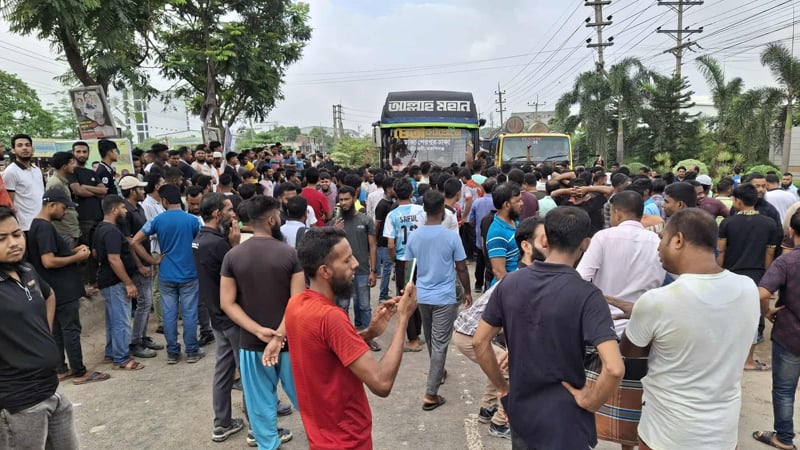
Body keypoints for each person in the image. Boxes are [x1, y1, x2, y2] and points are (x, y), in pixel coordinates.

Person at [474, 206, 624, 449]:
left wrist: (502, 388)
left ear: (544, 240)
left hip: (522, 411)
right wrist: (592, 401)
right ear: (585, 244)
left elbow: (479, 341)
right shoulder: (588, 295)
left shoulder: (509, 283)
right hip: (566, 417)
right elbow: (615, 368)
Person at [621, 208, 759, 450]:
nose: (658, 247)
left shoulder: (657, 301)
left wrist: (641, 316)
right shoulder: (748, 288)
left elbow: (630, 353)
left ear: (678, 240)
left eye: (662, 238)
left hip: (666, 436)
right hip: (723, 435)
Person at [284, 228, 417, 449]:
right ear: (325, 271)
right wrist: (403, 319)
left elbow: (326, 350)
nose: (355, 264)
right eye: (346, 260)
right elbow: (382, 383)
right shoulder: (331, 317)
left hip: (320, 437)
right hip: (348, 441)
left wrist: (368, 333)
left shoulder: (295, 304)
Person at [576, 191, 664, 450]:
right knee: (633, 398)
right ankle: (628, 444)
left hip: (602, 330)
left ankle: (588, 440)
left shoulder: (603, 237)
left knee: (592, 391)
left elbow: (581, 278)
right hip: (643, 331)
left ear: (616, 212)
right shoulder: (657, 242)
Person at [220, 195, 303, 449]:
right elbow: (297, 301)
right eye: (278, 215)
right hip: (290, 343)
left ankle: (268, 445)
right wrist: (280, 335)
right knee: (307, 399)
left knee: (260, 406)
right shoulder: (289, 254)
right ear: (271, 220)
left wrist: (258, 331)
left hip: (252, 344)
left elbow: (227, 303)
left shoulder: (233, 256)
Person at [453, 216, 546, 440]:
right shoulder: (521, 280)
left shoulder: (522, 275)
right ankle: (500, 421)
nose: (549, 246)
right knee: (511, 370)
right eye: (545, 240)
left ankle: (487, 408)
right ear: (526, 246)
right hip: (470, 334)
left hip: (470, 331)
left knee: (498, 363)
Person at [0, 206, 80, 449]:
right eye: (2, 238)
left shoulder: (26, 271)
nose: (13, 243)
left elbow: (49, 294)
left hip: (52, 388)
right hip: (19, 404)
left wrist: (43, 332)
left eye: (17, 234)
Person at [28, 190, 109, 385]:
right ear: (52, 205)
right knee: (70, 330)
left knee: (58, 330)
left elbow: (51, 254)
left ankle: (61, 369)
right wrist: (77, 257)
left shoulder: (36, 225)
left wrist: (72, 251)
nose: (65, 213)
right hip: (62, 290)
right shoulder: (44, 227)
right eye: (64, 208)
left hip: (53, 290)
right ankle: (80, 372)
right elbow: (48, 261)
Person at [403, 190, 472, 411]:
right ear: (443, 209)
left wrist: (408, 290)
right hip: (445, 296)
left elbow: (408, 266)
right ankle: (430, 394)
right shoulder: (451, 236)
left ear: (424, 209)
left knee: (432, 339)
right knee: (440, 343)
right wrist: (468, 292)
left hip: (423, 296)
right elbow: (461, 267)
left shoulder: (415, 236)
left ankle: (438, 372)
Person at [192, 193, 249, 442]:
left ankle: (222, 423)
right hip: (231, 317)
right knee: (248, 373)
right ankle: (257, 429)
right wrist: (235, 247)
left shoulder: (200, 239)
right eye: (228, 210)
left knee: (224, 371)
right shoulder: (217, 244)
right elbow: (238, 275)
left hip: (217, 317)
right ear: (217, 214)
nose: (233, 214)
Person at [132, 185, 202, 364]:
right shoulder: (193, 220)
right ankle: (192, 351)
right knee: (190, 313)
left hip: (166, 274)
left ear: (164, 200)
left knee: (169, 314)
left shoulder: (157, 220)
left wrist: (152, 260)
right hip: (189, 273)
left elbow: (135, 241)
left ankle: (172, 352)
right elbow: (200, 243)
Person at [717, 183, 781, 371]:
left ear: (737, 201)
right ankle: (748, 360)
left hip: (731, 274)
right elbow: (769, 253)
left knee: (728, 317)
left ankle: (726, 356)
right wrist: (767, 277)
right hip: (756, 276)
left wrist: (718, 272)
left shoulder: (728, 223)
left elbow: (721, 251)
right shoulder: (769, 223)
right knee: (751, 318)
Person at [752, 209, 800, 450]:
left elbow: (762, 293)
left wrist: (766, 311)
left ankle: (784, 437)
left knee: (784, 390)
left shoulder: (787, 262)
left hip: (790, 335)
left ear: (791, 231)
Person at [94, 195, 146, 371]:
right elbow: (114, 259)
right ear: (115, 209)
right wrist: (128, 283)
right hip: (115, 281)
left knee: (113, 320)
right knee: (122, 320)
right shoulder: (111, 232)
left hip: (107, 280)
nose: (125, 211)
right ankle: (121, 358)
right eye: (123, 208)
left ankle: (112, 352)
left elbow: (95, 253)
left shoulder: (99, 229)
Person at [119, 176, 162, 358]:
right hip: (138, 263)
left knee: (146, 302)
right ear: (132, 191)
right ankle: (135, 341)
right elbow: (129, 242)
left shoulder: (138, 208)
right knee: (144, 302)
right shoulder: (126, 212)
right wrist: (139, 264)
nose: (143, 191)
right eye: (140, 189)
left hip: (144, 259)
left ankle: (142, 337)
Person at [383, 178, 425, 352]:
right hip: (421, 259)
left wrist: (393, 260)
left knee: (406, 298)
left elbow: (390, 245)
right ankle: (418, 333)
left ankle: (412, 339)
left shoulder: (392, 215)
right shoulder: (421, 211)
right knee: (419, 295)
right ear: (411, 192)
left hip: (404, 260)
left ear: (394, 193)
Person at [335, 186, 379, 350]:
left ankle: (368, 337)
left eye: (347, 199)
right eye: (341, 200)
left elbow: (372, 246)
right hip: (342, 273)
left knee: (365, 306)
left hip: (362, 271)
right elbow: (329, 248)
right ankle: (343, 338)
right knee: (342, 306)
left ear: (354, 198)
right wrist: (335, 232)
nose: (344, 203)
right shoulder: (335, 223)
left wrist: (373, 271)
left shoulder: (365, 220)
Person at [2, 134, 44, 231]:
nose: (24, 148)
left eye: (27, 145)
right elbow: (9, 203)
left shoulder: (36, 170)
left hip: (42, 222)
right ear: (13, 150)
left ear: (32, 149)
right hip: (25, 226)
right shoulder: (10, 172)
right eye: (20, 145)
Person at [44, 152, 81, 248]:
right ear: (64, 166)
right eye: (72, 163)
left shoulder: (62, 181)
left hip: (70, 228)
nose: (74, 166)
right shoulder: (56, 183)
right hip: (64, 230)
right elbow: (54, 209)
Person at [486, 183, 521, 283]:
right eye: (518, 201)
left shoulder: (514, 222)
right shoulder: (497, 233)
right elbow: (499, 272)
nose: (522, 203)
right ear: (507, 205)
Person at [373, 176, 395, 301]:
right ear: (388, 189)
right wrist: (375, 239)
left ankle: (385, 292)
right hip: (384, 240)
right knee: (386, 268)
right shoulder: (382, 205)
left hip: (389, 239)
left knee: (388, 267)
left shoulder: (391, 202)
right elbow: (377, 224)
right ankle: (382, 295)